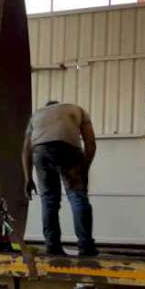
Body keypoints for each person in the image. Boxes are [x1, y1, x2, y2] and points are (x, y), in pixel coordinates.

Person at [22, 100, 98, 256]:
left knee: (49, 200)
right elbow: (90, 143)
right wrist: (83, 169)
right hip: (68, 150)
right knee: (77, 197)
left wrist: (28, 178)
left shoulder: (36, 115)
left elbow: (26, 149)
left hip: (40, 151)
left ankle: (52, 246)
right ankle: (85, 246)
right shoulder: (77, 110)